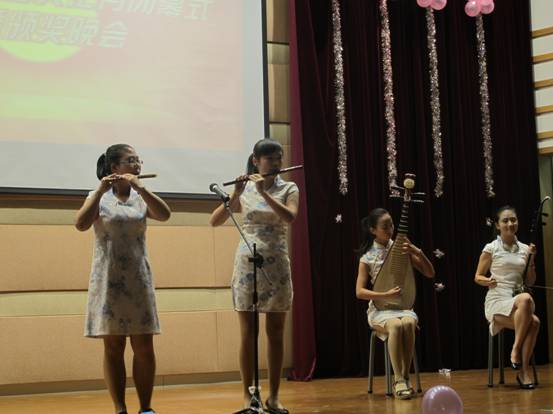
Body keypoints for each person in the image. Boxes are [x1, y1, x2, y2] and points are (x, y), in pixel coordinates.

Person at [75, 144, 171, 414]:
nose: (137, 165)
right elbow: (81, 224)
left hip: (138, 278)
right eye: (131, 161)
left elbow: (165, 215)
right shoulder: (98, 196)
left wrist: (142, 188)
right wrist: (99, 192)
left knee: (144, 346)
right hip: (108, 279)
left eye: (139, 160)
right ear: (114, 167)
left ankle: (146, 408)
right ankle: (120, 408)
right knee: (113, 346)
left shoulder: (141, 196)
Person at [210, 139, 299, 413]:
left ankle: (274, 396)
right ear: (255, 160)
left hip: (276, 262)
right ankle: (248, 396)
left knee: (275, 331)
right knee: (248, 332)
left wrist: (265, 193)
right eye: (270, 158)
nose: (276, 163)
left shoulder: (289, 188)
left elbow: (290, 217)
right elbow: (215, 220)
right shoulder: (245, 188)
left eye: (278, 158)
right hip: (247, 261)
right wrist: (236, 194)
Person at [355, 208, 434, 399]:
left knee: (408, 322)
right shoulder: (367, 257)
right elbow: (359, 292)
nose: (390, 229)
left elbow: (430, 273)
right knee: (396, 326)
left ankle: (405, 376)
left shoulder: (402, 249)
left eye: (391, 225)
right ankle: (398, 379)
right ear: (373, 230)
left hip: (403, 307)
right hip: (379, 309)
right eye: (385, 226)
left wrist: (417, 251)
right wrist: (385, 294)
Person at [474, 205, 540, 389]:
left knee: (534, 321)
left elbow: (530, 281)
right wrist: (488, 280)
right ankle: (516, 351)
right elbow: (477, 277)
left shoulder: (526, 249)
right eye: (505, 220)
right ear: (497, 225)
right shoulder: (491, 248)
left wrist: (531, 260)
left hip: (518, 301)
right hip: (497, 301)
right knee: (526, 300)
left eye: (513, 220)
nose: (510, 223)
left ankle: (523, 371)